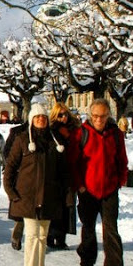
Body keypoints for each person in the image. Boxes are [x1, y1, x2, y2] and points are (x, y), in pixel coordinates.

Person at [3, 104, 69, 266]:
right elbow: (10, 167)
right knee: (32, 236)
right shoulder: (23, 140)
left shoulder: (55, 141)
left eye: (44, 117)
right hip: (27, 196)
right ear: (31, 120)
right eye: (37, 117)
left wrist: (66, 193)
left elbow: (63, 171)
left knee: (43, 235)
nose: (41, 119)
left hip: (49, 196)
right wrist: (11, 192)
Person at [68, 99, 130, 266]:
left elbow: (122, 160)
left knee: (111, 230)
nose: (99, 120)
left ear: (108, 115)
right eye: (95, 116)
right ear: (90, 115)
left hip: (109, 189)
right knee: (88, 229)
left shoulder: (116, 135)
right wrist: (79, 185)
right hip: (88, 190)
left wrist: (120, 180)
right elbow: (73, 162)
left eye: (103, 116)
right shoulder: (81, 134)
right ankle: (86, 264)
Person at [47, 102, 80, 250]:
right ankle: (50, 235)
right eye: (60, 114)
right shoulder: (51, 131)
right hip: (55, 172)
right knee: (54, 205)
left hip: (71, 171)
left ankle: (61, 237)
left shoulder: (75, 130)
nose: (64, 117)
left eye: (66, 114)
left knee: (68, 206)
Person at [4, 120, 28, 250]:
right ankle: (17, 236)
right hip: (21, 177)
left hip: (39, 179)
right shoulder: (17, 132)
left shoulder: (48, 134)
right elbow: (7, 153)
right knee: (22, 212)